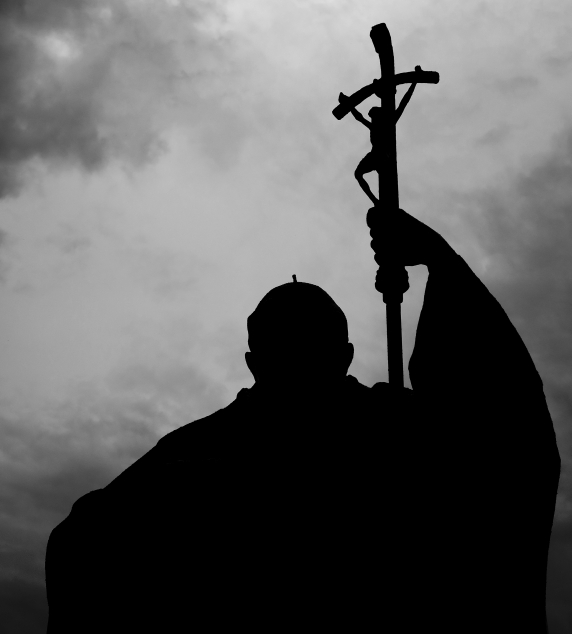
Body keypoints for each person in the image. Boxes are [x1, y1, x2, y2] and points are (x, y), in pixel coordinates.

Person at [45, 210, 560, 633]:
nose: (297, 362)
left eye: (306, 345)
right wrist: (438, 258)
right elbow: (506, 426)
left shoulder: (401, 429)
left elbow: (502, 436)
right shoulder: (190, 458)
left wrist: (439, 259)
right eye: (286, 346)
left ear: (252, 362)